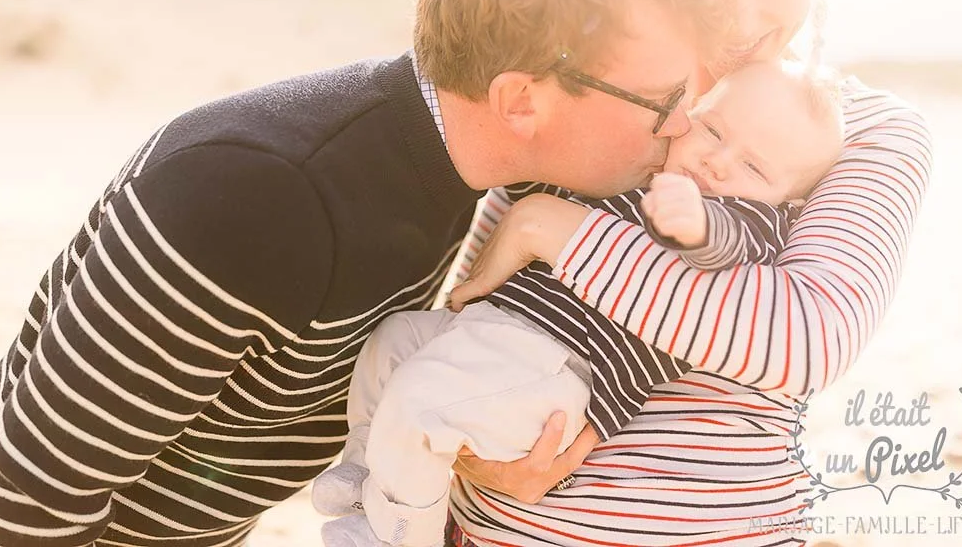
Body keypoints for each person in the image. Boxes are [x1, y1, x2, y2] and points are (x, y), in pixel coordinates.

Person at [0, 0, 715, 547]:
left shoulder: (460, 167)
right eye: (662, 99)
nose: (683, 123)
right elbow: (18, 507)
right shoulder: (252, 200)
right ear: (520, 100)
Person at [440, 0, 934, 546]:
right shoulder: (585, 82)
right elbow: (471, 298)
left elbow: (805, 339)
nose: (739, 20)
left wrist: (556, 228)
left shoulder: (863, 133)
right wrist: (460, 450)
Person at [311, 59, 844, 547]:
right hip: (495, 334)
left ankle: (400, 536)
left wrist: (698, 221)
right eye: (713, 130)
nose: (717, 162)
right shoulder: (644, 166)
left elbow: (725, 244)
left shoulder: (751, 223)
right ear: (690, 114)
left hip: (559, 370)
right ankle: (366, 476)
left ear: (789, 200)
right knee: (392, 341)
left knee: (419, 404)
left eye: (754, 167)